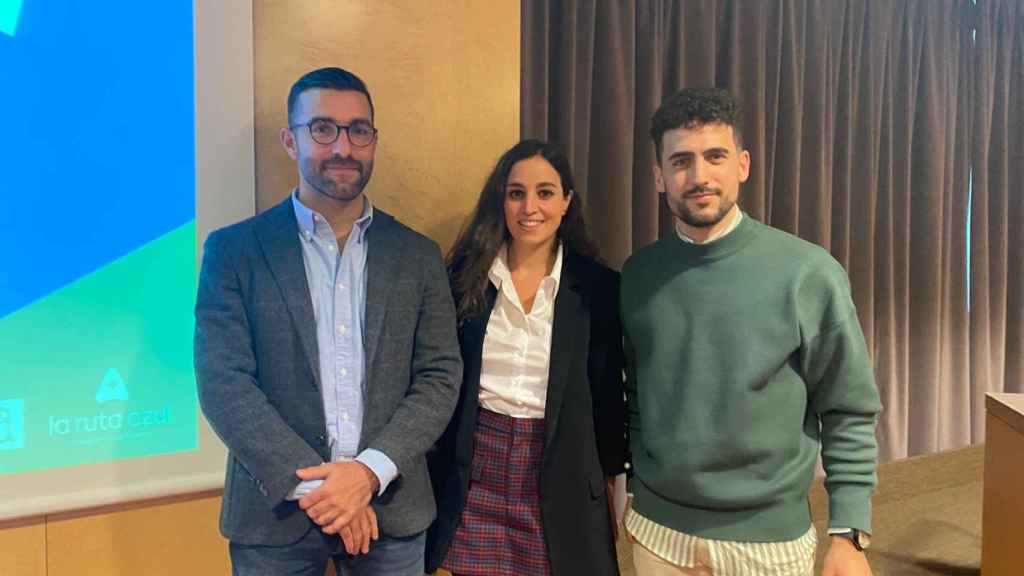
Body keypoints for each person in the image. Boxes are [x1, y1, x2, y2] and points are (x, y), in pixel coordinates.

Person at [194, 67, 462, 576]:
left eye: (358, 130)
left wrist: (367, 474)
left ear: (374, 141)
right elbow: (224, 384)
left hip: (392, 509)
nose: (343, 146)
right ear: (290, 141)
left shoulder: (418, 255)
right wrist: (327, 492)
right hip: (274, 515)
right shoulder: (234, 252)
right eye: (322, 128)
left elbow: (440, 377)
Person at [620, 87, 882, 576]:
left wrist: (848, 532)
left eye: (714, 156)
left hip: (769, 542)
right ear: (659, 177)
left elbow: (848, 407)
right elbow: (637, 397)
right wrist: (636, 489)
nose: (699, 176)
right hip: (658, 535)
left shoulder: (808, 273)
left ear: (742, 165)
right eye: (680, 161)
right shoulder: (638, 276)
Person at [425, 139, 627, 575]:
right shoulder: (463, 280)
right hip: (477, 470)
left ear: (567, 201)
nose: (529, 206)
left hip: (563, 472)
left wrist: (613, 482)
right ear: (501, 200)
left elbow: (608, 395)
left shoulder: (600, 288)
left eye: (545, 192)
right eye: (516, 192)